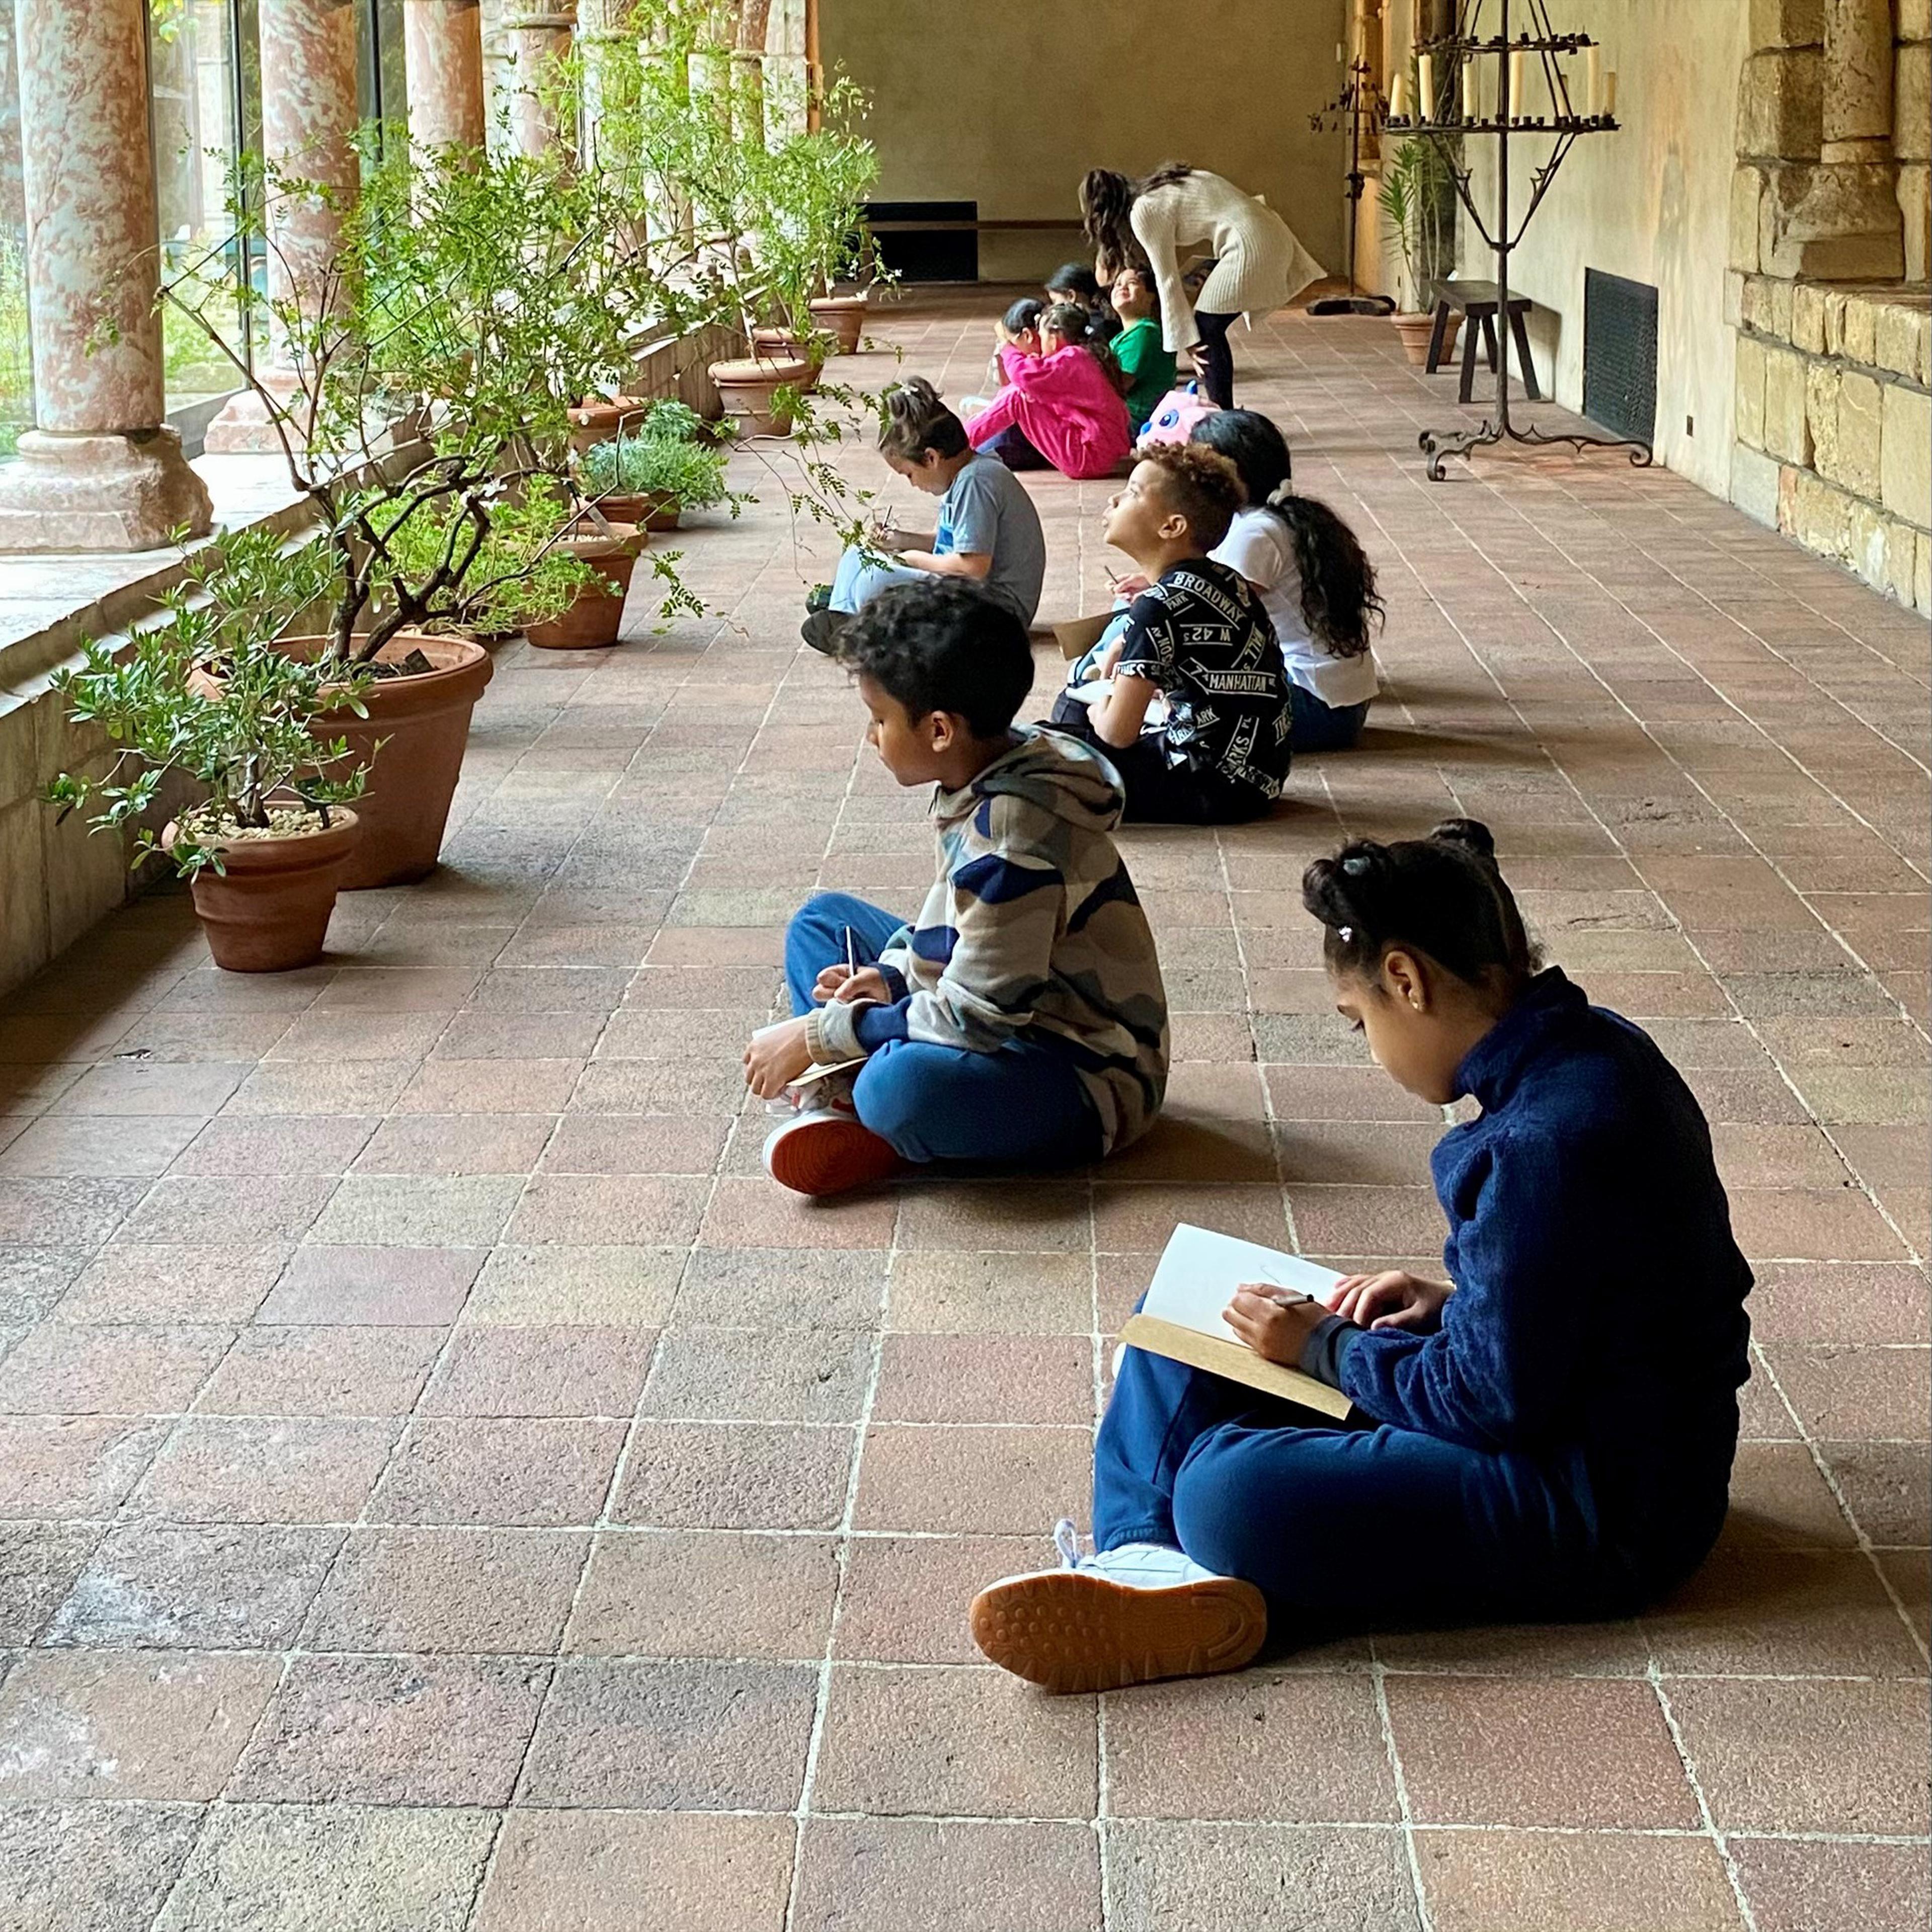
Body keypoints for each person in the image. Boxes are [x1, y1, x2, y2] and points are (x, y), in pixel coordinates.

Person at [970, 819, 1754, 1693]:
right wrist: (1456, 1302)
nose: (1371, 1047)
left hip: (1606, 1505)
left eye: (1358, 1021)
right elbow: (1607, 1289)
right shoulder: (1598, 1047)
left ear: (1406, 980)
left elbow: (1494, 1401)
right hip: (1563, 1412)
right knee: (1178, 1328)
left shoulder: (1540, 1145)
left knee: (1224, 1489)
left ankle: (1182, 1553)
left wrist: (1327, 1350)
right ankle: (1146, 1570)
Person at [749, 580, 1170, 1197]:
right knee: (823, 921)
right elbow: (961, 921)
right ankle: (848, 1099)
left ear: (940, 730)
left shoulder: (1014, 839)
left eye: (880, 719)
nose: (872, 736)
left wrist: (822, 1034)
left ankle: (857, 1105)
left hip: (1085, 1074)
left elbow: (979, 1018)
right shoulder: (998, 759)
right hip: (1014, 1005)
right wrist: (892, 976)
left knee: (898, 1089)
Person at [1049, 439, 1291, 824]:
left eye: (1131, 493)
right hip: (1261, 780)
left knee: (1054, 734)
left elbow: (1115, 734)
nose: (1114, 500)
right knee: (1074, 716)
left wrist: (1099, 708)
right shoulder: (1227, 579)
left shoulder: (1156, 605)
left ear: (1172, 526)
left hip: (1210, 787)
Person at [806, 378, 1045, 654]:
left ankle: (852, 618)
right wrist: (901, 540)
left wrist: (910, 559)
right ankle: (843, 613)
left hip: (995, 613)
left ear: (931, 458)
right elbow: (949, 544)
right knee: (857, 555)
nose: (912, 483)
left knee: (872, 579)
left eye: (909, 474)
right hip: (970, 593)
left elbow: (973, 568)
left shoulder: (976, 482)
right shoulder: (968, 475)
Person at [1191, 410, 1383, 751]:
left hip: (1319, 708)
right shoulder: (1277, 515)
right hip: (1341, 703)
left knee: (1188, 711)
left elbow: (1215, 616)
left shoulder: (1255, 534)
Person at [1079, 164, 1325, 408]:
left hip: (1251, 242)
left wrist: (1188, 342)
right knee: (1208, 327)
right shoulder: (1166, 185)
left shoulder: (1143, 211)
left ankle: (1222, 419)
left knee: (1206, 332)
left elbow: (1167, 280)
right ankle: (1224, 415)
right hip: (1268, 231)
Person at [965, 303, 1134, 480]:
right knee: (1024, 392)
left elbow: (1023, 375)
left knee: (1019, 398)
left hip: (1090, 457)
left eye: (1043, 335)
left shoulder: (1073, 358)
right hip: (1103, 454)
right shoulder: (1083, 356)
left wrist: (1008, 349)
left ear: (1054, 338)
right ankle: (971, 431)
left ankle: (961, 442)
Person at [1107, 264, 1178, 434]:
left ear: (1151, 296)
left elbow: (1119, 386)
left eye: (1132, 282)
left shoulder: (1143, 333)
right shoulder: (1133, 333)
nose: (1122, 287)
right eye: (1117, 284)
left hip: (1135, 421)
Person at [961, 296, 1044, 417]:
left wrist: (1007, 348)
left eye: (1013, 343)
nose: (1012, 349)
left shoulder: (1035, 365)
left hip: (1038, 421)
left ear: (1027, 335)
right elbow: (1006, 385)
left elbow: (1013, 385)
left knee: (970, 406)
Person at [1044, 260, 1121, 343]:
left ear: (1071, 296)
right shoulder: (1108, 322)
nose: (1053, 307)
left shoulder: (1092, 330)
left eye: (1055, 301)